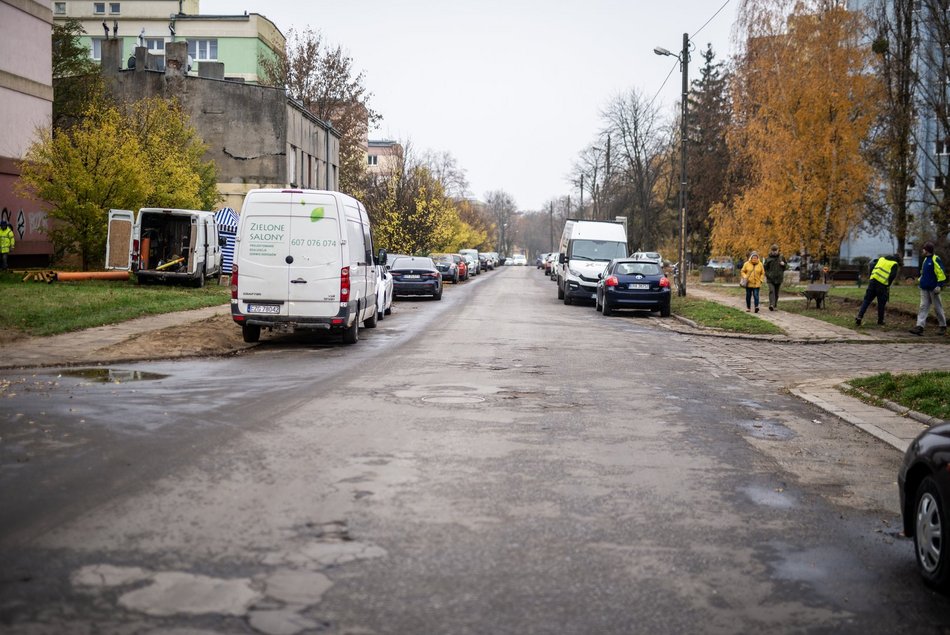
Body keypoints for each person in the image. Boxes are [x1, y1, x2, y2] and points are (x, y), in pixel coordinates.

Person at [909, 242, 946, 336]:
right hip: (924, 288)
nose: (923, 250)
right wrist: (920, 282)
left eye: (924, 249)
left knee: (938, 307)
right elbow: (923, 273)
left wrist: (939, 285)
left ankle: (943, 326)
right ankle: (919, 327)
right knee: (923, 307)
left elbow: (941, 273)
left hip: (934, 289)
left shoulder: (935, 259)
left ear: (927, 250)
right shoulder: (925, 260)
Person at [855, 253, 901, 326]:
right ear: (897, 260)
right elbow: (892, 276)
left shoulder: (881, 259)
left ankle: (859, 316)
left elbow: (872, 265)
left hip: (873, 282)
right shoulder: (894, 264)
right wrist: (888, 284)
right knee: (881, 303)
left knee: (867, 300)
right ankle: (880, 320)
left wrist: (871, 276)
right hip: (882, 285)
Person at [763, 244, 787, 311]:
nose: (774, 252)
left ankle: (775, 305)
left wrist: (783, 264)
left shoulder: (781, 257)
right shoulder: (768, 258)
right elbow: (765, 268)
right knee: (771, 291)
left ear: (778, 250)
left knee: (776, 293)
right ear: (771, 251)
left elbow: (786, 267)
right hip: (770, 279)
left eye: (775, 250)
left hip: (779, 278)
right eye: (773, 250)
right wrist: (768, 275)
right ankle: (771, 305)